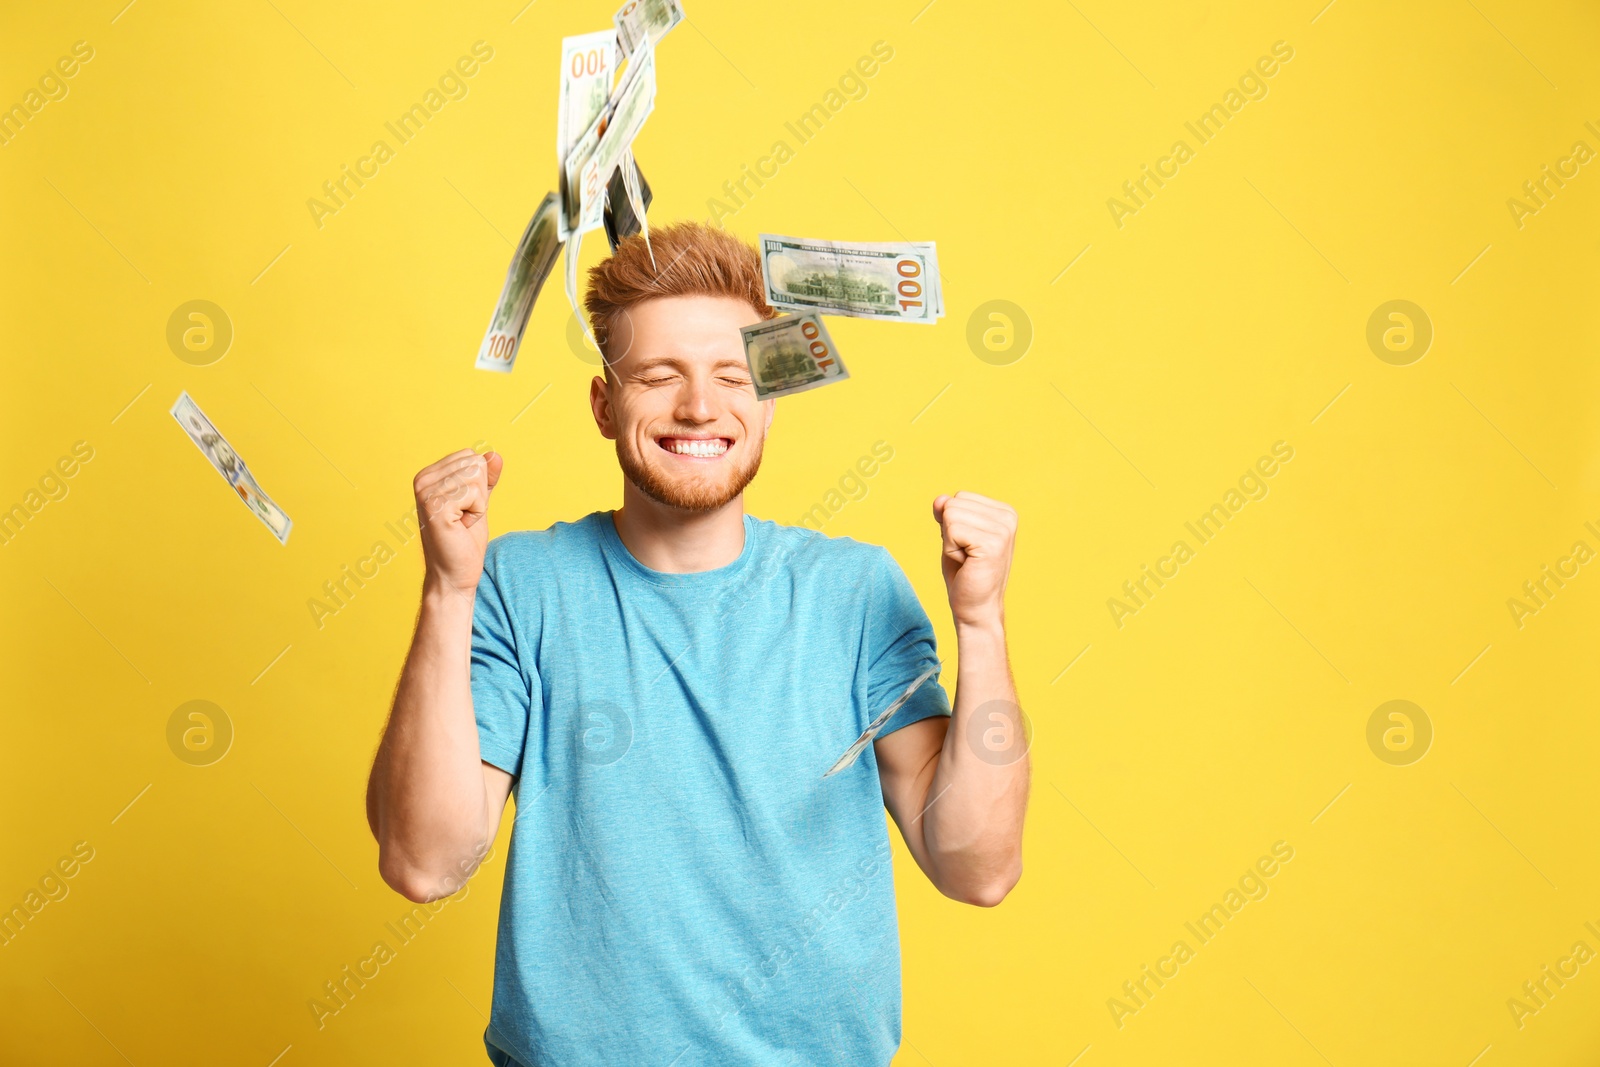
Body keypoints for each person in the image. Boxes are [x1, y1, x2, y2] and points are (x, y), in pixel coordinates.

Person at [365, 221, 1030, 1067]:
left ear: (773, 396)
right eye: (658, 376)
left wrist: (981, 621)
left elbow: (977, 867)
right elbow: (423, 861)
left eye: (731, 376)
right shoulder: (518, 584)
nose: (699, 408)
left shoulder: (855, 591)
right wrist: (446, 589)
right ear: (605, 405)